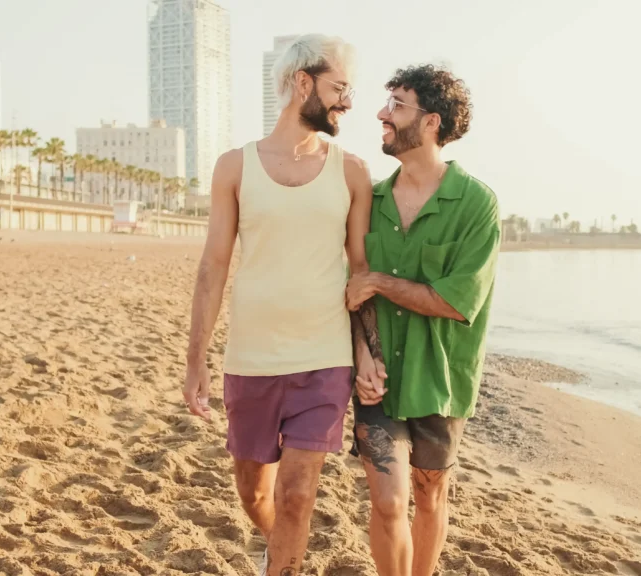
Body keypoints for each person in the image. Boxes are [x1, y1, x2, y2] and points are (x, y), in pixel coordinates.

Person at [181, 34, 384, 576]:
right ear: (302, 83)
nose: (348, 101)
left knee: (297, 495)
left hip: (323, 356)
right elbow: (212, 268)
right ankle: (281, 553)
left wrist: (365, 353)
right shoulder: (233, 167)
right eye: (339, 87)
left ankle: (284, 564)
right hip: (251, 359)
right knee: (254, 496)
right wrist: (195, 359)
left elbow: (359, 274)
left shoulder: (353, 172)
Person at [345, 65, 501, 576]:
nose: (381, 113)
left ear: (431, 122)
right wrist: (362, 357)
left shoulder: (476, 203)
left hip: (441, 380)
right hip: (379, 379)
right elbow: (355, 282)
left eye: (396, 104)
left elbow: (458, 302)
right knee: (388, 503)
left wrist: (384, 285)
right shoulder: (370, 198)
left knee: (430, 496)